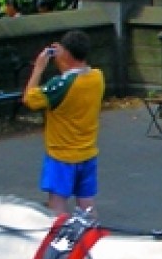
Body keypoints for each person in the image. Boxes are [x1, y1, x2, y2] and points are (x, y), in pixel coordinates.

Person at [22, 29, 105, 215]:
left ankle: (61, 239)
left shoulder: (58, 85)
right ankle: (92, 238)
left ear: (66, 53)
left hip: (61, 155)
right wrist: (64, 60)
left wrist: (38, 67)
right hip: (87, 151)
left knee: (57, 205)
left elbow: (30, 99)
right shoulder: (97, 77)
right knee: (86, 202)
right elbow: (73, 78)